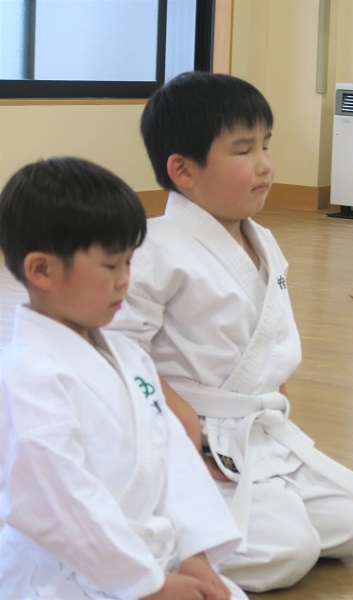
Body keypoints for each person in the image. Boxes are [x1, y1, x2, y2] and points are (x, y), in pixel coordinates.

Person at [108, 72, 353, 592]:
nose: (265, 164)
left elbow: (268, 341)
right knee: (287, 552)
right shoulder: (154, 247)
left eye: (266, 145)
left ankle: (244, 514)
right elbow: (119, 348)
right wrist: (184, 428)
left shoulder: (264, 239)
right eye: (243, 150)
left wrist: (275, 396)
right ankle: (159, 548)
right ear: (183, 170)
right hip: (189, 435)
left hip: (253, 431)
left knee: (348, 522)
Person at [0, 157, 247, 600]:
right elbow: (60, 501)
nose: (125, 282)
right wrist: (148, 585)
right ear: (42, 270)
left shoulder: (129, 356)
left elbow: (172, 455)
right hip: (62, 576)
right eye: (111, 266)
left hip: (147, 558)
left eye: (129, 263)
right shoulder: (26, 375)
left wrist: (195, 553)